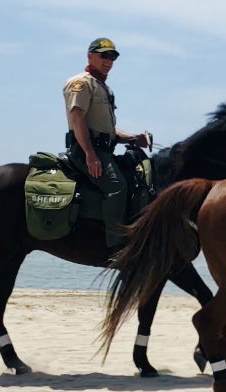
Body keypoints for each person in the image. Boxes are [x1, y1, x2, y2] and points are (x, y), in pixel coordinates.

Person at [62, 37, 150, 249]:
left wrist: (133, 138)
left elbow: (107, 131)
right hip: (85, 151)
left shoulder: (104, 88)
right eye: (104, 56)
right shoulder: (80, 83)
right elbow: (77, 118)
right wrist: (90, 154)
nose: (108, 61)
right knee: (117, 187)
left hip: (103, 149)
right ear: (90, 56)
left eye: (112, 56)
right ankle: (116, 247)